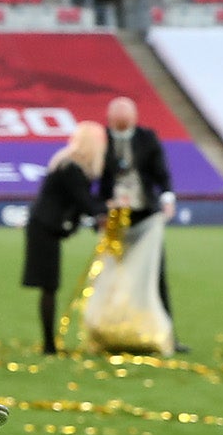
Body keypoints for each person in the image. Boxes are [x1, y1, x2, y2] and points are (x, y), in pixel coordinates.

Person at [23, 121, 107, 354]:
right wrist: (107, 208)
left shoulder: (67, 163)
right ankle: (49, 345)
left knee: (49, 285)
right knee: (49, 285)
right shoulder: (71, 168)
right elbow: (84, 201)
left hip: (46, 226)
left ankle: (50, 343)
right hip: (45, 227)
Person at [97, 95, 176, 317]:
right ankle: (112, 327)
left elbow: (161, 172)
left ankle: (165, 331)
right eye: (118, 123)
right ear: (109, 119)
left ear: (135, 119)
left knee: (154, 273)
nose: (122, 127)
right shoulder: (100, 139)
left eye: (126, 122)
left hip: (145, 215)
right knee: (112, 274)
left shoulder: (147, 138)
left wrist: (167, 197)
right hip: (112, 217)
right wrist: (98, 209)